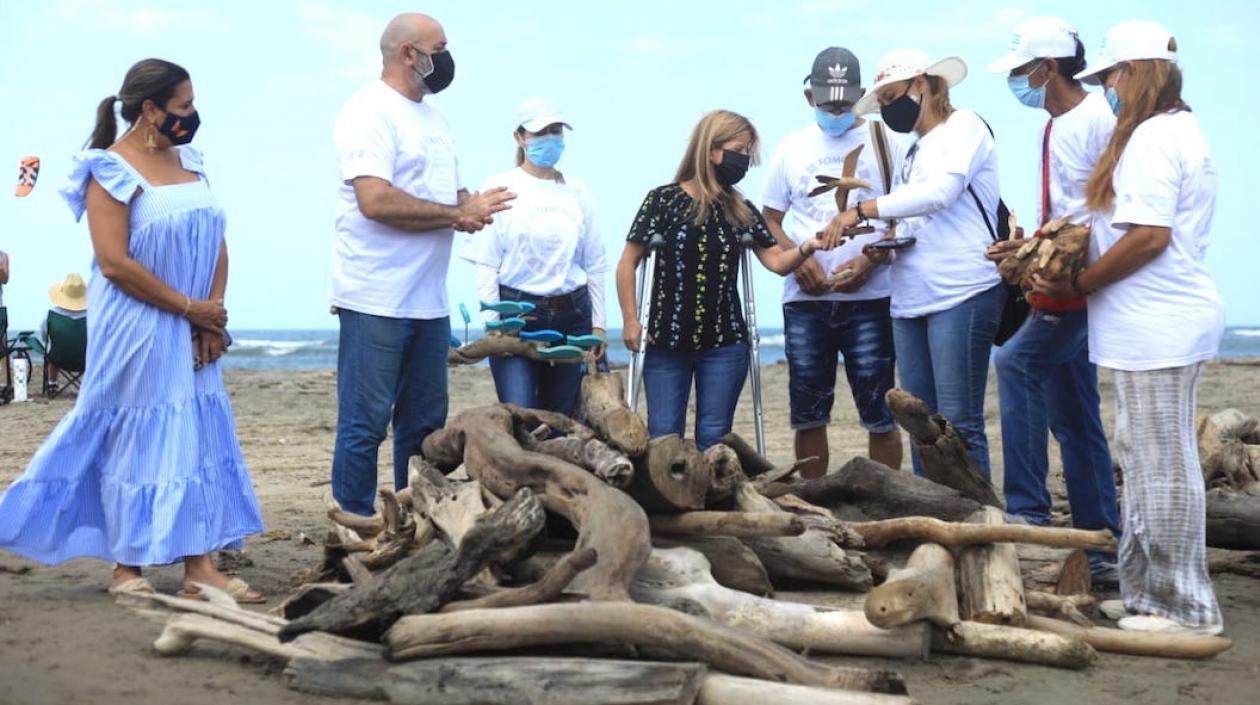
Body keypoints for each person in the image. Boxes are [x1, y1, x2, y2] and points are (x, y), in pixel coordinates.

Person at [0, 58, 265, 599]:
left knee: (195, 433)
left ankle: (199, 568)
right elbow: (115, 263)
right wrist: (189, 309)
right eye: (184, 106)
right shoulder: (109, 170)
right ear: (150, 109)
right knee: (137, 436)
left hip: (194, 320)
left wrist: (212, 314)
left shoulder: (190, 161)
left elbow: (214, 239)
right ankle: (127, 567)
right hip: (138, 326)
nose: (193, 114)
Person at [1035, 20, 1225, 635]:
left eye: (1111, 77)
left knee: (1163, 467)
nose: (1106, 90)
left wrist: (1083, 282)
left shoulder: (1153, 139)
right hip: (1152, 325)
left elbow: (1148, 237)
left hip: (1157, 324)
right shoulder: (1174, 129)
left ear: (1136, 72)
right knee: (1143, 461)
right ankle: (1146, 593)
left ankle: (1183, 606)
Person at [330, 13, 515, 516]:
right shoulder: (368, 111)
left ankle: (416, 519)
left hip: (428, 300)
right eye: (440, 48)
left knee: (424, 427)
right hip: (375, 297)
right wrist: (456, 213)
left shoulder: (434, 118)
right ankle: (352, 524)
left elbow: (448, 193)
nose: (447, 58)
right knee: (365, 423)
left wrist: (472, 207)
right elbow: (375, 200)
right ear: (409, 54)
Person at [615, 109, 845, 451]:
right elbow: (627, 264)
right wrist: (631, 321)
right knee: (664, 438)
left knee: (714, 438)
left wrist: (806, 247)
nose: (745, 160)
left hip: (724, 342)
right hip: (665, 341)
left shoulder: (739, 208)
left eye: (748, 152)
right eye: (739, 150)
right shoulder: (662, 201)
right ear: (711, 150)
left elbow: (776, 261)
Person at [986, 17, 1121, 583]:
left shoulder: (1096, 119)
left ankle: (1029, 515)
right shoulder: (1056, 123)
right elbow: (1068, 209)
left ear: (1048, 67)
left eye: (1022, 69)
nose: (1016, 80)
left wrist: (1074, 273)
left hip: (1080, 286)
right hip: (1061, 281)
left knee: (1014, 363)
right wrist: (1030, 247)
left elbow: (1108, 208)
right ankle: (1101, 546)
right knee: (1076, 417)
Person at [840, 50, 1005, 477]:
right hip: (911, 299)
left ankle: (976, 511)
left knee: (958, 423)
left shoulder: (964, 127)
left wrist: (861, 210)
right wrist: (884, 248)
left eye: (892, 96)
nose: (889, 109)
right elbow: (916, 221)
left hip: (961, 290)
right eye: (882, 102)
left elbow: (940, 194)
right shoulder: (913, 151)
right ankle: (934, 506)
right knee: (919, 423)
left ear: (921, 84)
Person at [762, 47, 904, 478]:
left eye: (846, 104)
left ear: (862, 96)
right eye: (828, 104)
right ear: (810, 98)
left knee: (881, 410)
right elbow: (769, 219)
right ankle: (815, 499)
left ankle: (884, 498)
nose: (837, 112)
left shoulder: (889, 142)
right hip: (805, 301)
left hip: (873, 299)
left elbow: (908, 217)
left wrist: (871, 261)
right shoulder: (791, 149)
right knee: (808, 413)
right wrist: (797, 260)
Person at [460, 97, 606, 415]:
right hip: (516, 316)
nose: (550, 139)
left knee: (562, 417)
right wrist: (494, 325)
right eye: (540, 132)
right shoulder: (500, 187)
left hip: (573, 315)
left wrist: (599, 326)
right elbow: (487, 263)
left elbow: (594, 263)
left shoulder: (577, 191)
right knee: (520, 412)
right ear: (520, 137)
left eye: (556, 131)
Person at [42, 273, 90, 394]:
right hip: (86, 359)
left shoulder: (52, 315)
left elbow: (44, 336)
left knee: (52, 351)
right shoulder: (92, 315)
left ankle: (52, 384)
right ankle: (89, 385)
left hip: (59, 359)